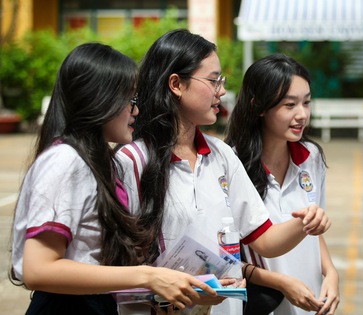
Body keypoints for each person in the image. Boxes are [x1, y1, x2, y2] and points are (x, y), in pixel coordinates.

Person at [115, 29, 331, 315]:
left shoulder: (222, 156)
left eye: (222, 81)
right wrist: (162, 297)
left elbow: (264, 241)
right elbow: (113, 266)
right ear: (176, 84)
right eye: (214, 80)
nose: (222, 91)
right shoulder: (131, 161)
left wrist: (305, 223)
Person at [9, 43, 229, 315]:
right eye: (130, 100)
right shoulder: (66, 161)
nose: (135, 111)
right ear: (100, 100)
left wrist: (182, 286)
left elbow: (100, 268)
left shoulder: (96, 162)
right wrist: (148, 276)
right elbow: (38, 269)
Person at [224, 54, 340, 315]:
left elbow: (313, 230)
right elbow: (226, 257)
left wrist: (331, 273)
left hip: (310, 302)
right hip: (264, 305)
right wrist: (281, 283)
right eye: (290, 105)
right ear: (259, 106)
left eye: (306, 103)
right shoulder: (231, 164)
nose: (302, 115)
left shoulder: (312, 157)